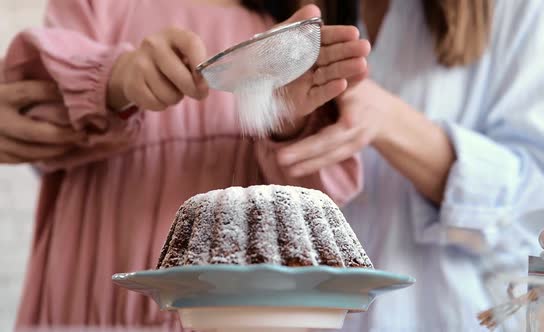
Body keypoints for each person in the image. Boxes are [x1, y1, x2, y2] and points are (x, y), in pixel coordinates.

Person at [1, 0, 370, 329]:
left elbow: (314, 204)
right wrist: (117, 79)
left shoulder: (291, 19)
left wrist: (285, 117)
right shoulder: (99, 5)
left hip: (235, 310)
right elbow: (25, 115)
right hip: (91, 289)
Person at [277, 0, 544, 330]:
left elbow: (541, 215)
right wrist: (284, 124)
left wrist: (391, 122)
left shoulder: (519, 10)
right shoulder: (289, 13)